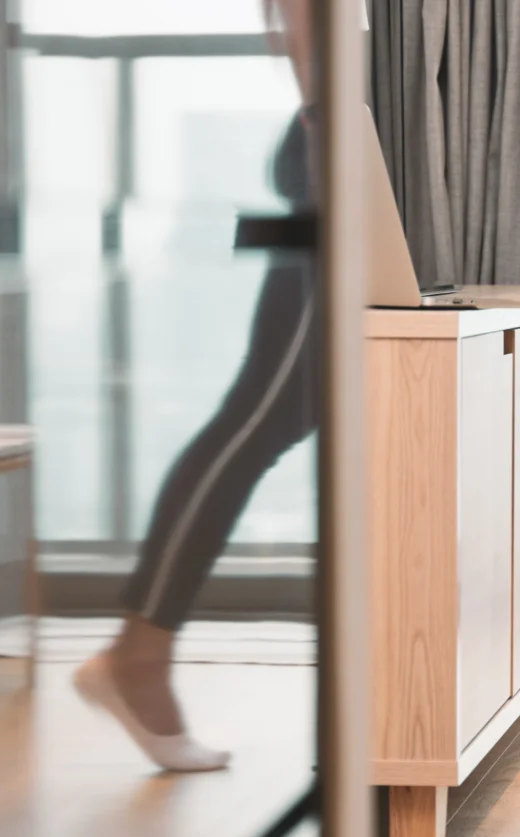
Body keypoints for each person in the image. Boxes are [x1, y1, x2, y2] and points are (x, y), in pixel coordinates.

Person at [72, 0, 317, 773]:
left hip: (348, 139)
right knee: (257, 422)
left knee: (265, 419)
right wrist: (325, 112)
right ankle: (137, 652)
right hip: (338, 145)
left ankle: (138, 652)